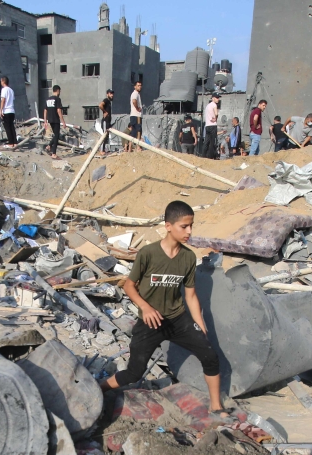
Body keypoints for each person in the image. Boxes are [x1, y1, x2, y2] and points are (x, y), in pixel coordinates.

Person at [99, 200, 227, 416]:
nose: (189, 231)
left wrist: (200, 324)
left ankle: (216, 406)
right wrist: (145, 308)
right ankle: (98, 388)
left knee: (210, 356)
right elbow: (129, 286)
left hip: (178, 319)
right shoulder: (148, 253)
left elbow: (191, 296)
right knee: (134, 372)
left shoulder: (187, 257)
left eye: (191, 226)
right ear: (168, 226)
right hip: (150, 321)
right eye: (184, 226)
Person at [44, 84, 64, 159]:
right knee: (57, 136)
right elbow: (59, 111)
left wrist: (45, 121)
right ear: (58, 90)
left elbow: (45, 110)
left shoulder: (48, 99)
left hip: (50, 119)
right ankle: (54, 153)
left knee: (56, 135)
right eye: (60, 91)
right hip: (56, 120)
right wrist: (63, 121)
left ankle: (48, 146)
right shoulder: (57, 99)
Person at [0, 76, 17, 147]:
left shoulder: (4, 89)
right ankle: (15, 142)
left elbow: (3, 100)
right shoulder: (11, 90)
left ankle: (10, 143)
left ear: (3, 81)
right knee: (12, 126)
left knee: (7, 127)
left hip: (6, 111)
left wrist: (1, 109)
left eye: (1, 81)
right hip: (12, 111)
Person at [202, 93, 220, 159]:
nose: (218, 99)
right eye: (217, 98)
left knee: (206, 141)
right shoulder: (214, 105)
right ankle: (211, 157)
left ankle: (203, 155)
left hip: (207, 125)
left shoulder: (207, 106)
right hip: (213, 125)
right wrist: (216, 118)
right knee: (213, 142)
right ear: (213, 98)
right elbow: (216, 113)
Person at [98, 89, 114, 153]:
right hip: (105, 121)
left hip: (108, 122)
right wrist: (104, 112)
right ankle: (101, 150)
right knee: (104, 136)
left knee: (106, 136)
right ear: (107, 94)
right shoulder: (106, 100)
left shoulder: (109, 102)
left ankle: (103, 150)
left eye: (112, 94)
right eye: (110, 94)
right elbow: (100, 105)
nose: (112, 95)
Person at [129, 80, 144, 149]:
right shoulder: (135, 93)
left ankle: (134, 146)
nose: (140, 87)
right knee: (137, 131)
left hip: (136, 115)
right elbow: (134, 101)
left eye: (140, 85)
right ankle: (137, 146)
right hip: (136, 115)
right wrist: (137, 108)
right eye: (138, 85)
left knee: (136, 131)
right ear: (135, 86)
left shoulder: (137, 94)